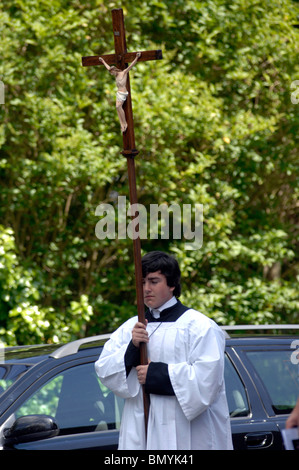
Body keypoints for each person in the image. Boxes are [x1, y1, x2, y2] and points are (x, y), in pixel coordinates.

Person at [95, 251, 233, 450]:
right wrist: (132, 349)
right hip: (140, 428)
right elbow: (104, 369)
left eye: (153, 281)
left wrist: (157, 374)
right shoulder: (131, 328)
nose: (146, 289)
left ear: (172, 284)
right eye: (142, 282)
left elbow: (207, 381)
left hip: (188, 431)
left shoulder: (200, 327)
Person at [99, 52, 141, 133]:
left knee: (118, 107)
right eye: (111, 73)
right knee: (117, 107)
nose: (112, 74)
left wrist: (137, 57)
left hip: (123, 92)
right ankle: (122, 124)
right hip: (118, 93)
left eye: (112, 72)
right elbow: (108, 67)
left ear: (115, 70)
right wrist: (102, 61)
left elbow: (131, 65)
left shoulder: (123, 73)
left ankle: (124, 123)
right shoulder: (115, 75)